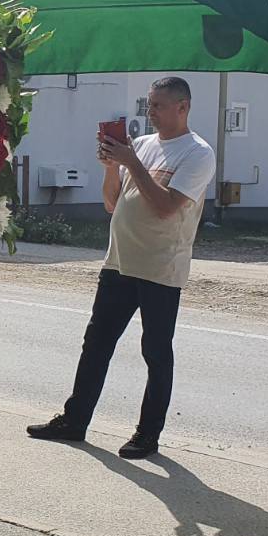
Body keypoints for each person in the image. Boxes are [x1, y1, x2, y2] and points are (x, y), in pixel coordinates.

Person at [28, 77, 216, 460]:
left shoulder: (197, 154)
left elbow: (166, 207)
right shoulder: (143, 146)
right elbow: (112, 203)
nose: (151, 113)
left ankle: (147, 435)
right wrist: (113, 167)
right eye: (149, 105)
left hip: (160, 267)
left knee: (156, 351)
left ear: (183, 107)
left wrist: (133, 163)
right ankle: (74, 420)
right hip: (118, 261)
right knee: (96, 344)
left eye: (159, 106)